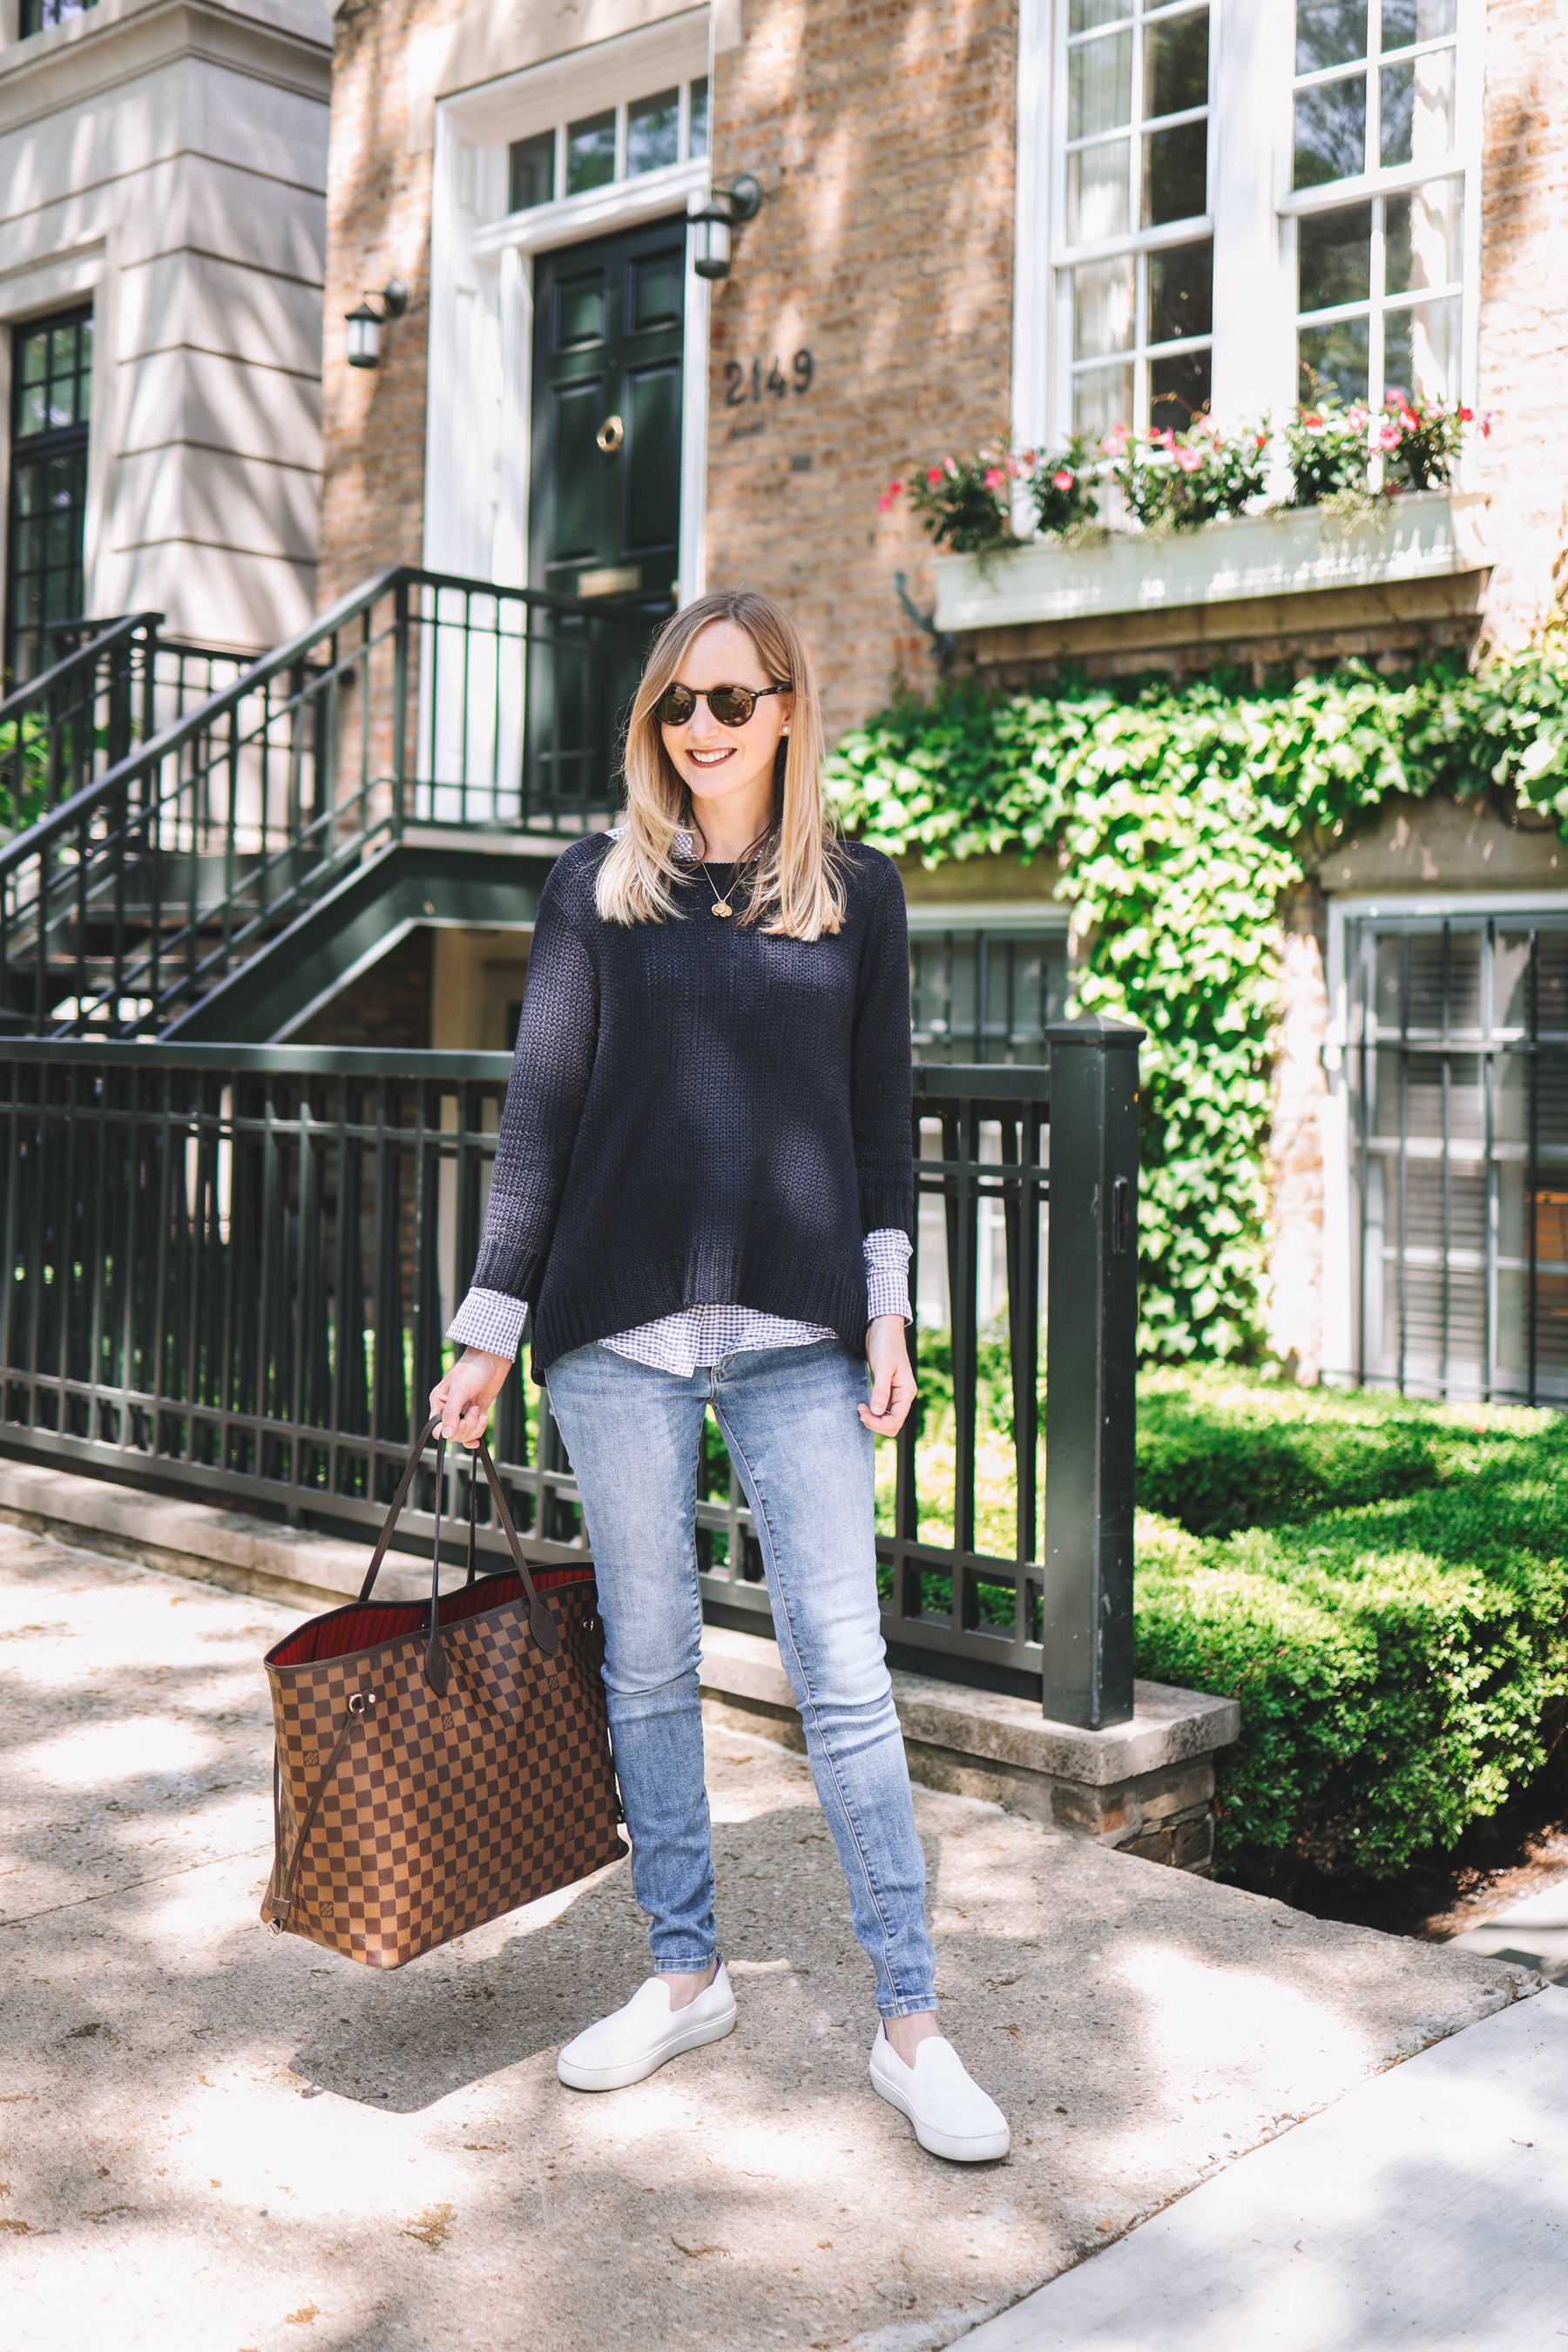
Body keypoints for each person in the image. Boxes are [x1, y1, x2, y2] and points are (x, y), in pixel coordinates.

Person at [431, 588, 1008, 2164]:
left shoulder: (857, 898)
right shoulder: (592, 889)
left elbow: (881, 1126)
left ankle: (910, 2020)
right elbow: (539, 1118)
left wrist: (887, 1315)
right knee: (645, 1663)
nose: (701, 731)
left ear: (788, 713)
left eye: (733, 703)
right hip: (613, 1332)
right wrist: (491, 1326)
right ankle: (684, 1972)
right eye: (678, 706)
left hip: (794, 1330)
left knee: (844, 1669)